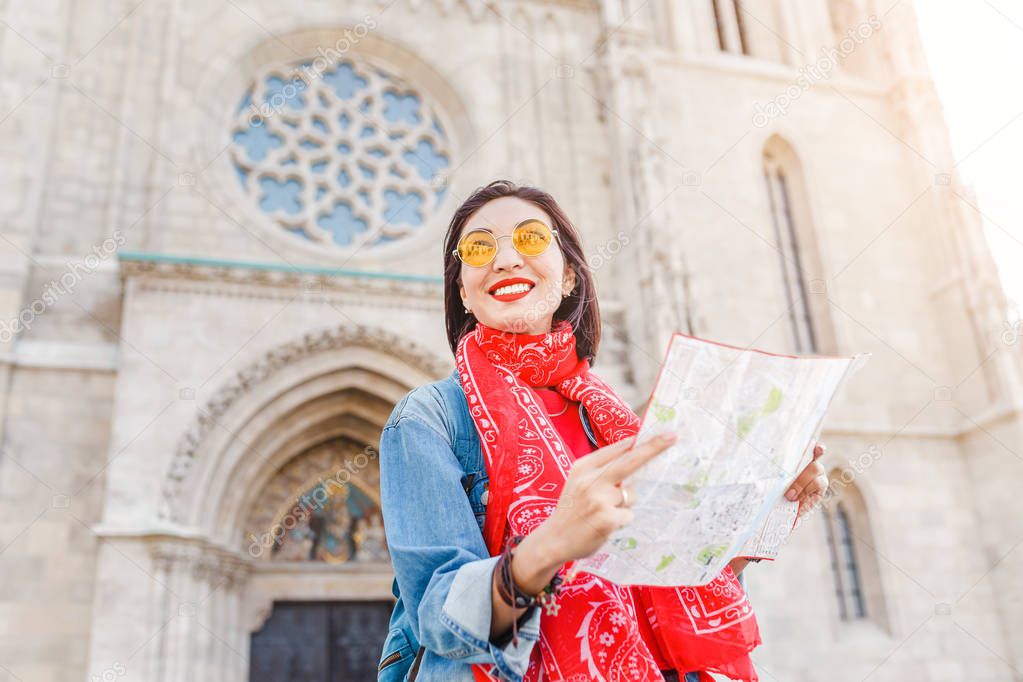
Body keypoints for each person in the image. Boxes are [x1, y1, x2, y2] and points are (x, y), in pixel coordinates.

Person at [378, 180, 829, 681]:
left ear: (569, 274)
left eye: (529, 238)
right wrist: (552, 544)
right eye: (479, 247)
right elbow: (439, 619)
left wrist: (762, 511)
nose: (504, 259)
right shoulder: (427, 419)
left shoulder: (614, 421)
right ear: (463, 290)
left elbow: (666, 585)